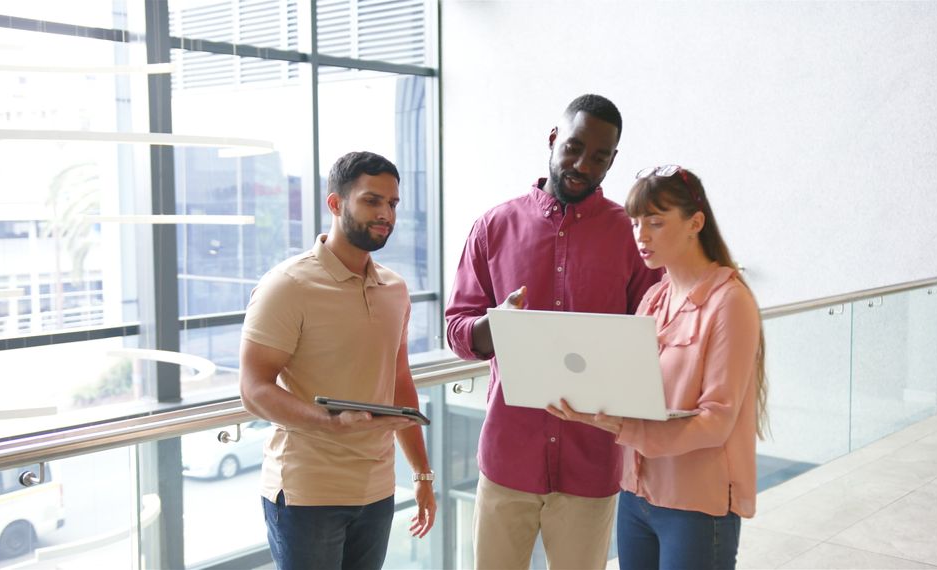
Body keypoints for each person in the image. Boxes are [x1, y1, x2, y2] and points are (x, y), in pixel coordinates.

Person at [445, 94, 661, 569]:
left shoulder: (631, 237)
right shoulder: (493, 227)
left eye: (599, 156)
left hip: (592, 464)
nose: (583, 165)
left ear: (612, 161)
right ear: (552, 139)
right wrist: (496, 325)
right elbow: (457, 329)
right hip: (507, 459)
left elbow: (655, 339)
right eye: (574, 148)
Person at [547, 164, 768, 570]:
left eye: (655, 222)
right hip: (636, 496)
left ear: (695, 223)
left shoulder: (729, 302)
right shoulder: (654, 298)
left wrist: (624, 427)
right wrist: (587, 404)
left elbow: (716, 421)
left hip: (695, 506)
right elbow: (632, 391)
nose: (641, 235)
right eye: (635, 223)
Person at [239, 151, 436, 570]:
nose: (386, 214)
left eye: (393, 203)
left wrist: (421, 473)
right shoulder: (287, 285)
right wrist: (330, 422)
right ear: (335, 203)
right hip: (307, 494)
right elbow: (253, 390)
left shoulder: (395, 289)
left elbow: (399, 379)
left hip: (378, 489)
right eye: (372, 201)